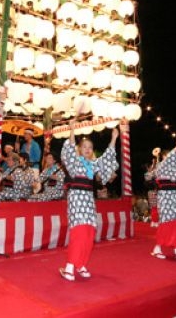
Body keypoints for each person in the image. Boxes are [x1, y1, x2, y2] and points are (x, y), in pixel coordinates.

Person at [58, 118, 119, 282]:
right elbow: (69, 150)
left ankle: (81, 264)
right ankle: (70, 267)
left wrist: (114, 138)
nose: (87, 149)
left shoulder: (93, 164)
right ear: (79, 149)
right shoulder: (75, 161)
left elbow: (107, 158)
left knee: (89, 233)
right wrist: (71, 130)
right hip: (77, 198)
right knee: (79, 232)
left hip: (89, 201)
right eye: (84, 147)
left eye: (90, 147)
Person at [148, 139, 176, 261]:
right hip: (165, 196)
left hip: (175, 195)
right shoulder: (160, 166)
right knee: (167, 220)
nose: (172, 157)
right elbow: (170, 157)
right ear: (163, 157)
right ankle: (157, 248)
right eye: (167, 156)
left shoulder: (174, 169)